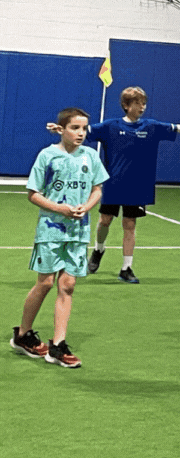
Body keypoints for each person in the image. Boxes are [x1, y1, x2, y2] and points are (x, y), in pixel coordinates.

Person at [50, 86, 180, 284]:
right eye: (138, 103)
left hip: (139, 187)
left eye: (144, 103)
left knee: (129, 225)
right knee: (105, 220)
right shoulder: (110, 126)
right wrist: (59, 129)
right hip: (113, 184)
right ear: (126, 105)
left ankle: (126, 268)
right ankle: (98, 250)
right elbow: (82, 131)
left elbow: (177, 127)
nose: (142, 107)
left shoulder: (151, 126)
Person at [11, 107, 109, 368]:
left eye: (84, 128)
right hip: (50, 230)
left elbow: (98, 189)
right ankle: (22, 335)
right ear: (61, 129)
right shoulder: (48, 156)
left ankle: (57, 345)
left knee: (68, 285)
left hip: (78, 232)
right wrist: (60, 208)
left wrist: (86, 207)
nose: (81, 133)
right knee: (45, 284)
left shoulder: (90, 156)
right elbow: (33, 193)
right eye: (75, 128)